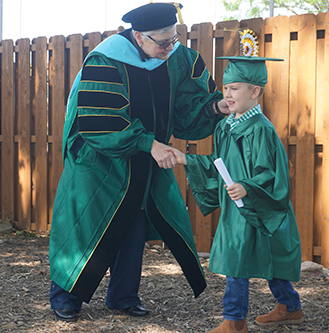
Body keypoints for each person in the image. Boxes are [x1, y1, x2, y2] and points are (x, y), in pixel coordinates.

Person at [48, 2, 230, 322]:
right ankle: (66, 297)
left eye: (173, 39)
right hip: (100, 160)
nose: (169, 48)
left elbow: (187, 114)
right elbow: (99, 121)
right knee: (85, 225)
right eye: (162, 42)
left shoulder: (178, 59)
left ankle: (123, 295)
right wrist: (147, 143)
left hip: (147, 161)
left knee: (133, 222)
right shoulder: (107, 59)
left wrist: (217, 109)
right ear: (139, 37)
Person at [172, 56, 303, 333]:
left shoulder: (260, 129)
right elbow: (219, 165)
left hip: (258, 206)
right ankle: (290, 307)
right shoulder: (225, 125)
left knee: (239, 260)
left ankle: (234, 321)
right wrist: (187, 160)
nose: (227, 95)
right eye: (225, 88)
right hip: (237, 206)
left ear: (255, 92)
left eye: (234, 88)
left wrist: (248, 186)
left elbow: (269, 173)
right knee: (258, 257)